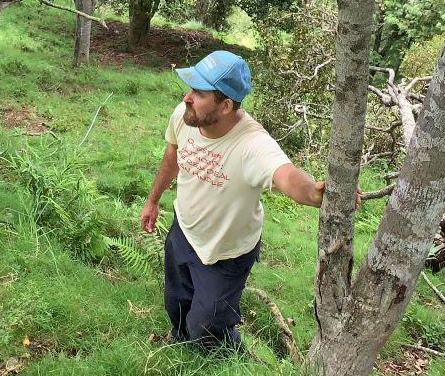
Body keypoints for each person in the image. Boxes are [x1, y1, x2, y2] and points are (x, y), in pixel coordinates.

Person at [138, 50, 324, 353]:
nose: (187, 97)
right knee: (177, 304)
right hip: (184, 229)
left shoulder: (252, 144)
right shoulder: (186, 116)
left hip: (227, 251)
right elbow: (173, 153)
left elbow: (285, 175)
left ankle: (231, 360)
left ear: (225, 105)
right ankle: (182, 347)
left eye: (198, 93)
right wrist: (152, 200)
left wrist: (315, 194)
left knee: (207, 325)